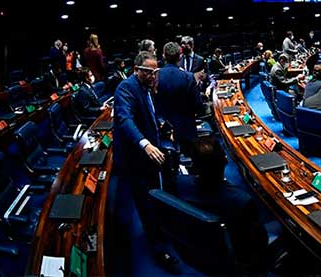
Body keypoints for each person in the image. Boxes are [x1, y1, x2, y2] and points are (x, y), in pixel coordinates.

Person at [112, 51, 179, 271]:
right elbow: (125, 119)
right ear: (136, 70)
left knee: (156, 195)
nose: (152, 76)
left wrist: (160, 126)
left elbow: (148, 113)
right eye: (148, 72)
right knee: (146, 203)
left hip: (149, 155)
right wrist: (145, 143)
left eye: (155, 72)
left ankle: (163, 230)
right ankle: (159, 250)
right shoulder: (126, 88)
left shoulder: (147, 86)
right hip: (135, 159)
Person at [175, 136, 267, 272]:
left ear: (193, 166)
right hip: (238, 257)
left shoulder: (180, 184)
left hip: (199, 250)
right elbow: (259, 241)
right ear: (225, 161)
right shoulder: (242, 201)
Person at [155, 42, 204, 156]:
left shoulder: (155, 76)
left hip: (163, 128)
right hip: (186, 127)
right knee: (189, 158)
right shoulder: (188, 77)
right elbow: (197, 105)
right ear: (180, 56)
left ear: (163, 56)